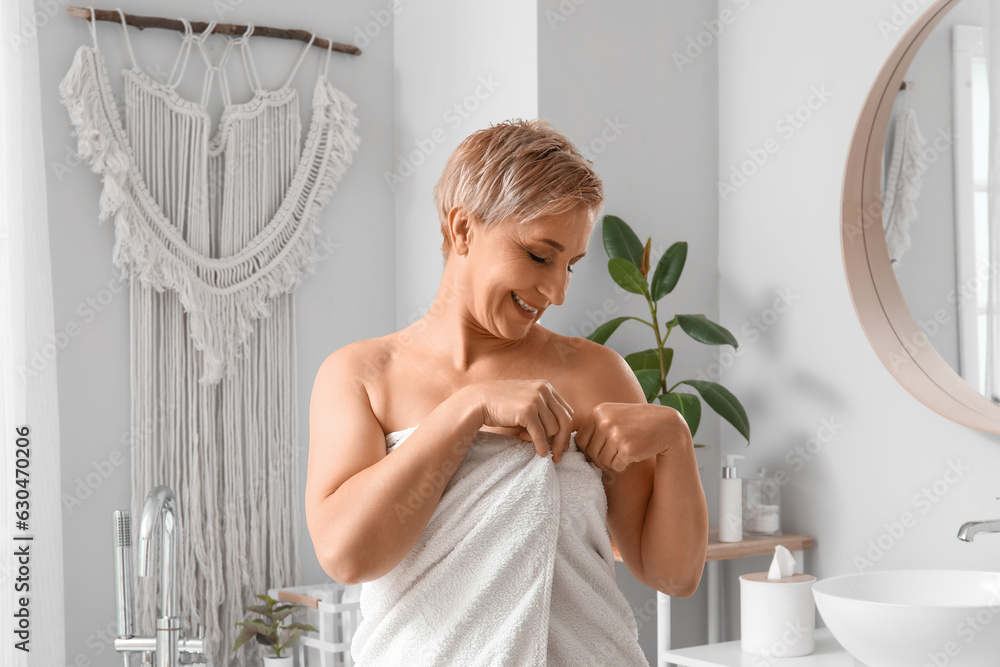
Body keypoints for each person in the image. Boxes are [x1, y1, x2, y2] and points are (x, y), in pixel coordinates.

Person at [305, 118, 708, 664]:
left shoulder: (597, 374)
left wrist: (676, 441)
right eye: (541, 256)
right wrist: (469, 408)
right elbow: (347, 557)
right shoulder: (362, 376)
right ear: (464, 229)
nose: (557, 291)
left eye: (571, 265)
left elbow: (672, 575)